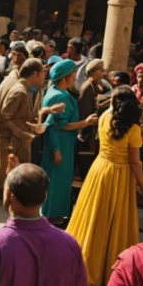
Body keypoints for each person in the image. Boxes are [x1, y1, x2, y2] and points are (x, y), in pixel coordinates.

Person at [65, 87, 143, 286]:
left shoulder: (104, 116)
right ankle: (108, 273)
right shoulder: (133, 128)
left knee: (93, 219)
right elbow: (136, 163)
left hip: (100, 169)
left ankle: (84, 270)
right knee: (114, 224)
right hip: (120, 176)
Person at [0, 59, 52, 202]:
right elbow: (4, 117)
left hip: (18, 139)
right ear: (34, 74)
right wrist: (22, 133)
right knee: (5, 171)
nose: (44, 78)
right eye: (42, 75)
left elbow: (19, 115)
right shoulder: (19, 91)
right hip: (11, 140)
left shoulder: (24, 89)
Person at [41, 59, 99, 221]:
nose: (75, 77)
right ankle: (52, 215)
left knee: (59, 180)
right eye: (73, 74)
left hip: (61, 142)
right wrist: (85, 122)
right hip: (60, 143)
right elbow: (59, 126)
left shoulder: (55, 90)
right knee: (57, 182)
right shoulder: (59, 97)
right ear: (65, 78)